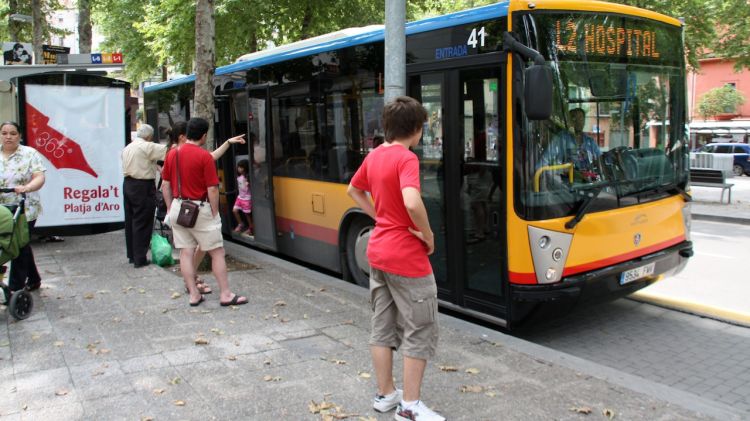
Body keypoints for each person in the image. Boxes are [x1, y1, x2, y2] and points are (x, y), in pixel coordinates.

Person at [347, 96, 444, 421]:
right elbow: (412, 201)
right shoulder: (406, 158)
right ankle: (411, 407)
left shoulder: (374, 156)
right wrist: (427, 236)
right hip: (406, 256)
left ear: (388, 127)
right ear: (417, 130)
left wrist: (382, 217)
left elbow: (353, 190)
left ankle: (386, 395)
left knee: (383, 324)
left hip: (377, 252)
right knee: (421, 326)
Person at [161, 117, 247, 307]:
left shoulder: (172, 154)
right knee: (217, 252)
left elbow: (165, 186)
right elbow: (213, 189)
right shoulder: (203, 156)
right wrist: (214, 212)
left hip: (178, 208)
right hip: (199, 209)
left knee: (185, 252)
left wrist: (170, 208)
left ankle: (194, 294)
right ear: (204, 135)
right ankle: (225, 294)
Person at [0, 121, 45, 292]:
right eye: (4, 133)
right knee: (20, 243)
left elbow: (39, 176)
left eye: (12, 133)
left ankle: (14, 289)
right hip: (2, 210)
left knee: (17, 245)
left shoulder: (29, 154)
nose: (8, 137)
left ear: (19, 135)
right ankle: (33, 278)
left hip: (24, 208)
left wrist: (27, 187)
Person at [122, 123, 167, 268]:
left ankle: (133, 255)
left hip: (128, 184)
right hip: (142, 185)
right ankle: (140, 258)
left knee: (131, 220)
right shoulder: (147, 146)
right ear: (149, 136)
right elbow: (169, 151)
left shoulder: (128, 147)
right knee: (143, 221)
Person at [538, 107, 601, 174]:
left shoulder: (590, 142)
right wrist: (562, 171)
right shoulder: (561, 139)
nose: (578, 121)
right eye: (574, 118)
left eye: (581, 118)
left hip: (588, 183)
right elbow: (541, 166)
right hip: (567, 182)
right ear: (569, 122)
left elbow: (600, 160)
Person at [232, 159, 253, 235]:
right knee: (235, 210)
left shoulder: (248, 177)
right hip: (240, 197)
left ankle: (251, 228)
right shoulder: (239, 176)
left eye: (241, 167)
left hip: (247, 198)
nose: (239, 169)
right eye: (238, 167)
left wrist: (248, 183)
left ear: (245, 168)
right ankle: (241, 224)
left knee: (247, 214)